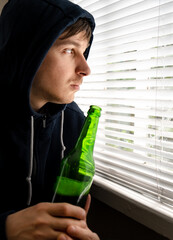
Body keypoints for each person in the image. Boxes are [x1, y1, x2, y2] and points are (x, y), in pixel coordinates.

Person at [0, 0, 100, 239]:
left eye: (84, 51)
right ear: (28, 51)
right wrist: (6, 228)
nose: (85, 68)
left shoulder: (75, 122)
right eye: (69, 50)